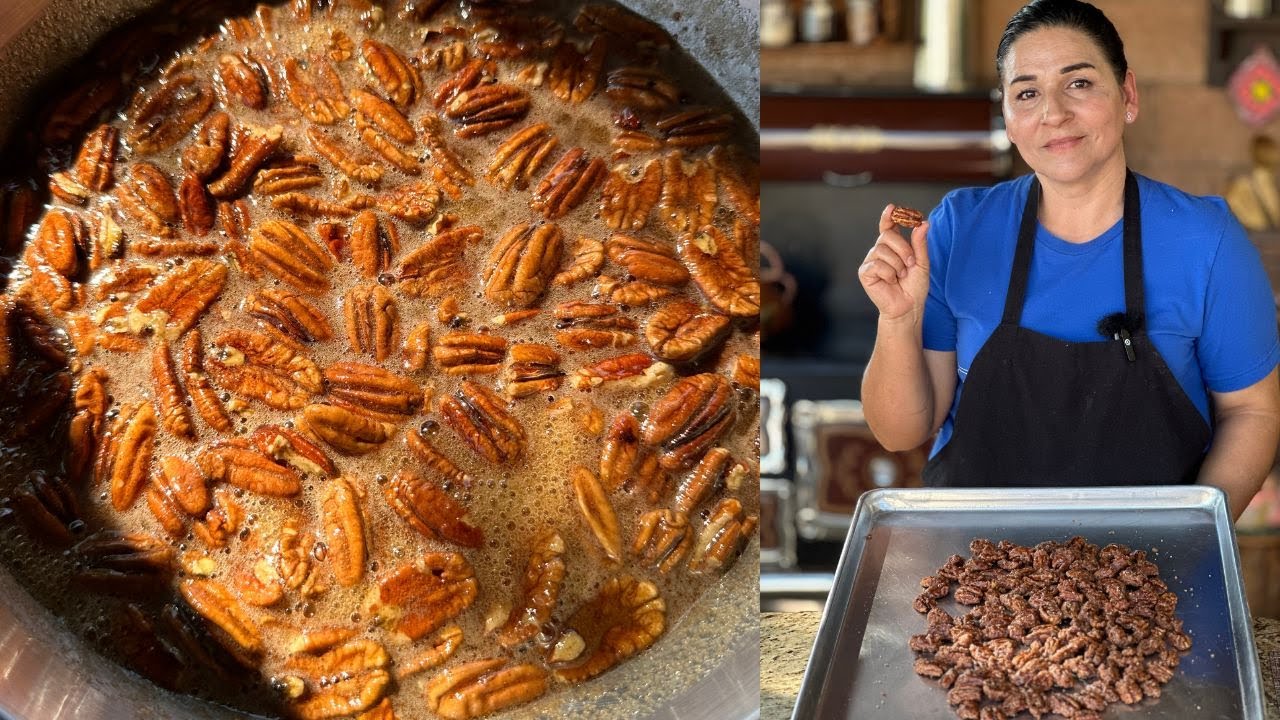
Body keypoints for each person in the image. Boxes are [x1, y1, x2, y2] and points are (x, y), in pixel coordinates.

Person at [858, 0, 1280, 520]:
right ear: (1009, 118)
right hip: (977, 555)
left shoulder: (1205, 240)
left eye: (1078, 83)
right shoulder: (960, 229)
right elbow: (902, 432)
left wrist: (1192, 534)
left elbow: (1251, 412)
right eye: (1027, 93)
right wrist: (897, 320)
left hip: (1149, 559)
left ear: (1127, 96)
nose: (1053, 113)